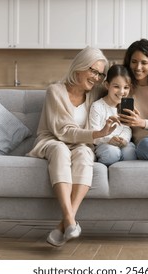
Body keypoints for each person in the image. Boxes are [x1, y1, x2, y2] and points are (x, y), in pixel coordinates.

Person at [27, 47, 120, 247]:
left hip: (81, 144)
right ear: (79, 67)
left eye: (100, 73)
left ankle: (65, 223)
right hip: (52, 140)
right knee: (61, 150)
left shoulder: (95, 92)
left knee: (86, 154)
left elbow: (123, 85)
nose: (96, 78)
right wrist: (98, 134)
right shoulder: (55, 91)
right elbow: (65, 131)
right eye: (93, 71)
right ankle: (69, 220)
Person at [89, 64, 137, 166]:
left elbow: (127, 128)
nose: (122, 92)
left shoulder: (126, 107)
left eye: (126, 87)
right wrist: (109, 140)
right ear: (107, 85)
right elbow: (94, 133)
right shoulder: (97, 106)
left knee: (130, 152)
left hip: (122, 143)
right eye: (116, 87)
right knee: (112, 153)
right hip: (104, 144)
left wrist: (124, 139)